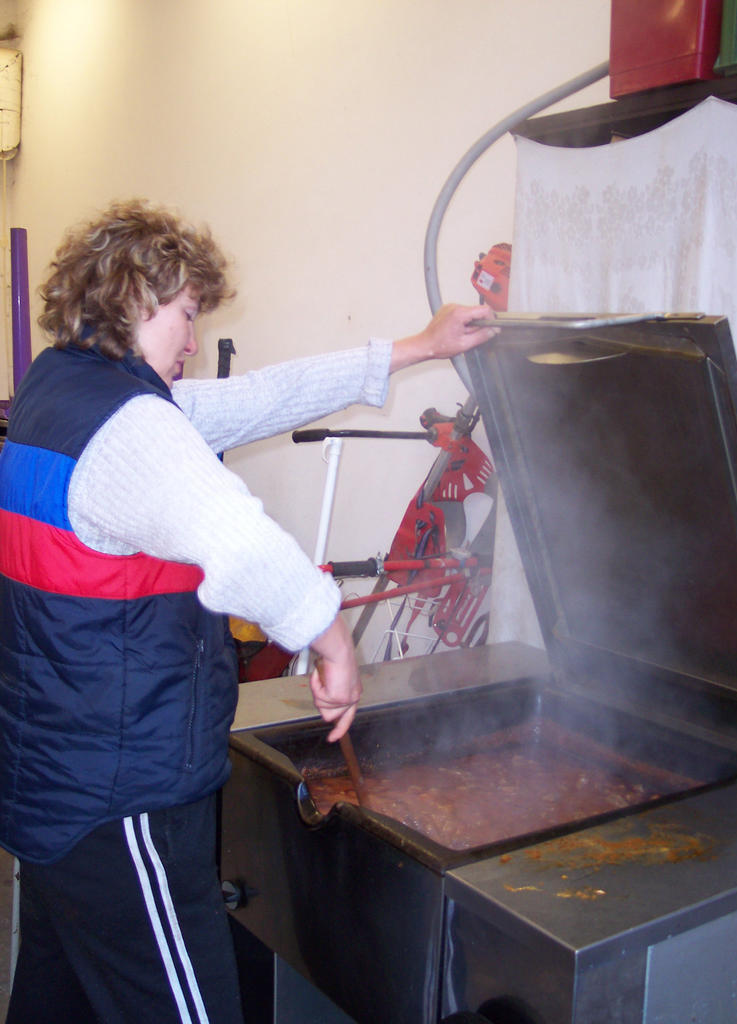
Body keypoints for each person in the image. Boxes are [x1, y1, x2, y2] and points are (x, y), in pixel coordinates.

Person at [0, 198, 498, 1023]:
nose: (194, 340)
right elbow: (243, 542)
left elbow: (262, 398)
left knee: (59, 1003)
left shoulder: (57, 392)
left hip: (51, 783)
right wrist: (333, 639)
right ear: (135, 297)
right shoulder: (130, 429)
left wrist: (418, 346)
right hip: (122, 801)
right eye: (187, 313)